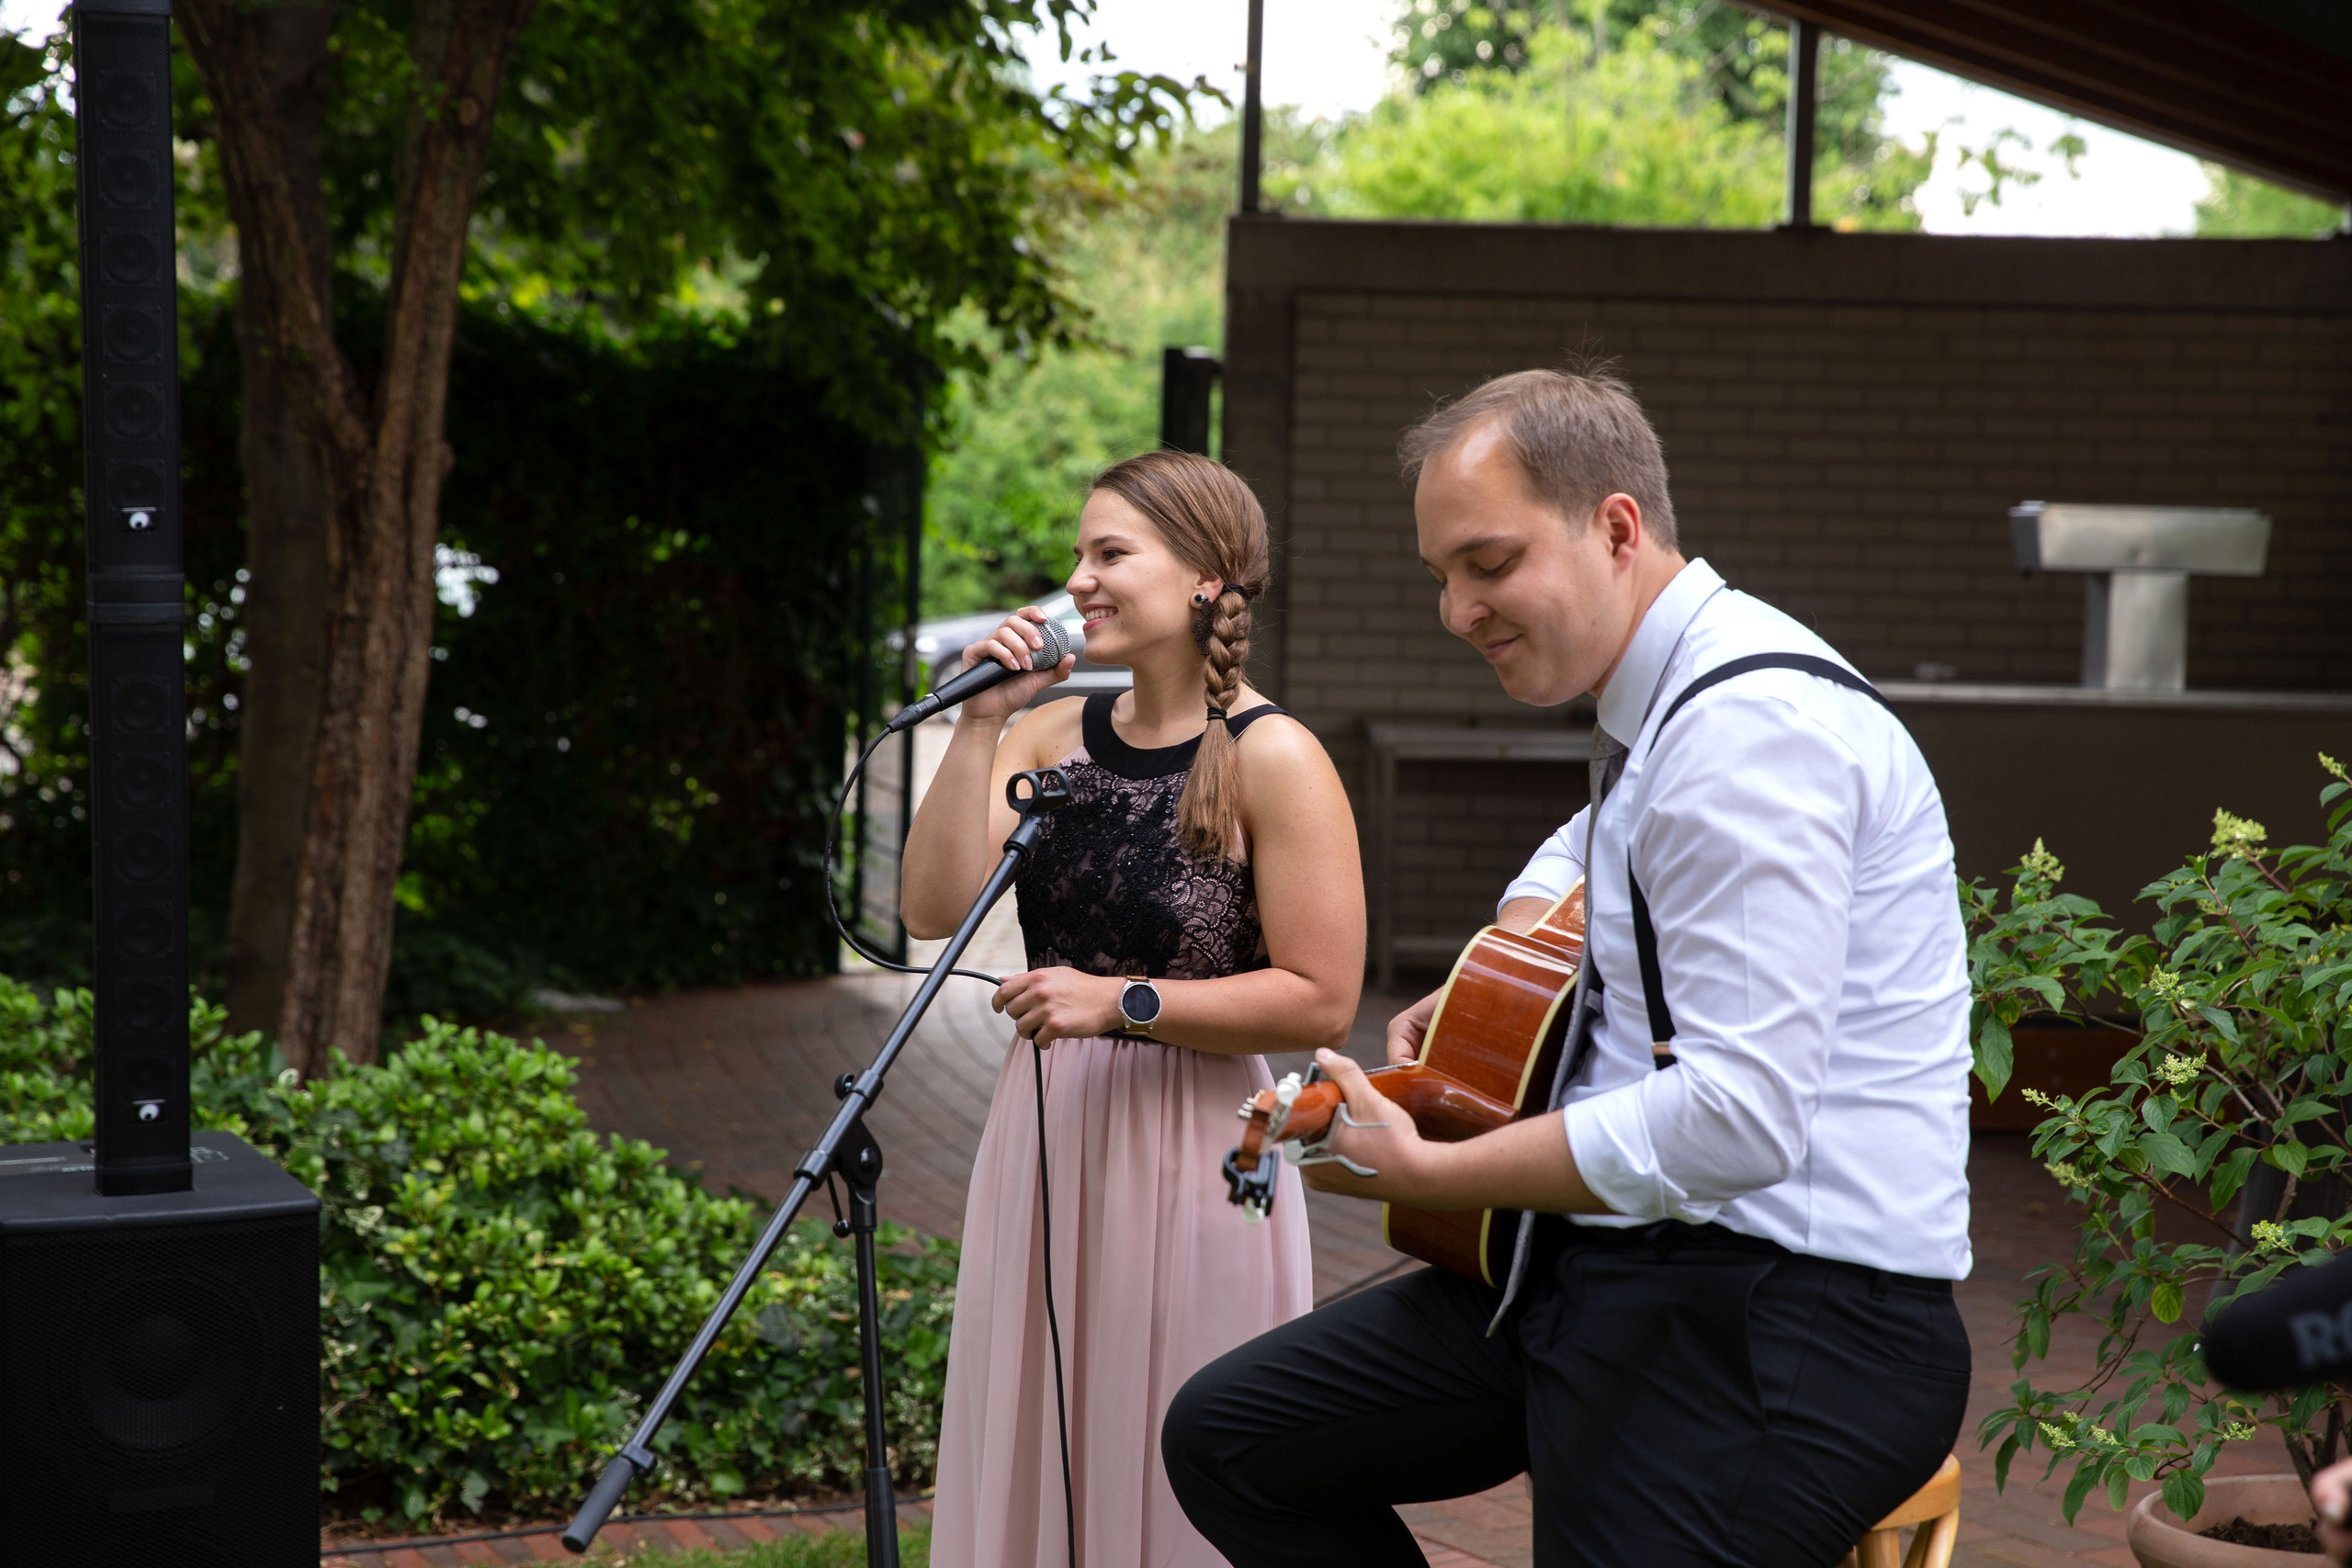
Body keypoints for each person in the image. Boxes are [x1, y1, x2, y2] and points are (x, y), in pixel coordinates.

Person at [1162, 367, 1975, 1567]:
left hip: (1788, 1316)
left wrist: (1434, 1164)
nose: (1456, 608)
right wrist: (1519, 955)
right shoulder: (1674, 694)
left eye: (1488, 563)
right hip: (1618, 1258)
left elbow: (1737, 1119)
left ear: (1616, 527)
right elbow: (1593, 839)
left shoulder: (1749, 734)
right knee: (1233, 1441)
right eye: (1440, 573)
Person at [903, 448, 1366, 1568]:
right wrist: (977, 724)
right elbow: (929, 906)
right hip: (1048, 1132)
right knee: (1042, 1415)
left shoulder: (1277, 757)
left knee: (1170, 1427)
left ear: (1206, 577)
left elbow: (1321, 996)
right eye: (1078, 555)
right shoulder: (1049, 734)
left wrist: (1121, 1003)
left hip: (1199, 1146)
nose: (1079, 582)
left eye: (1110, 553)